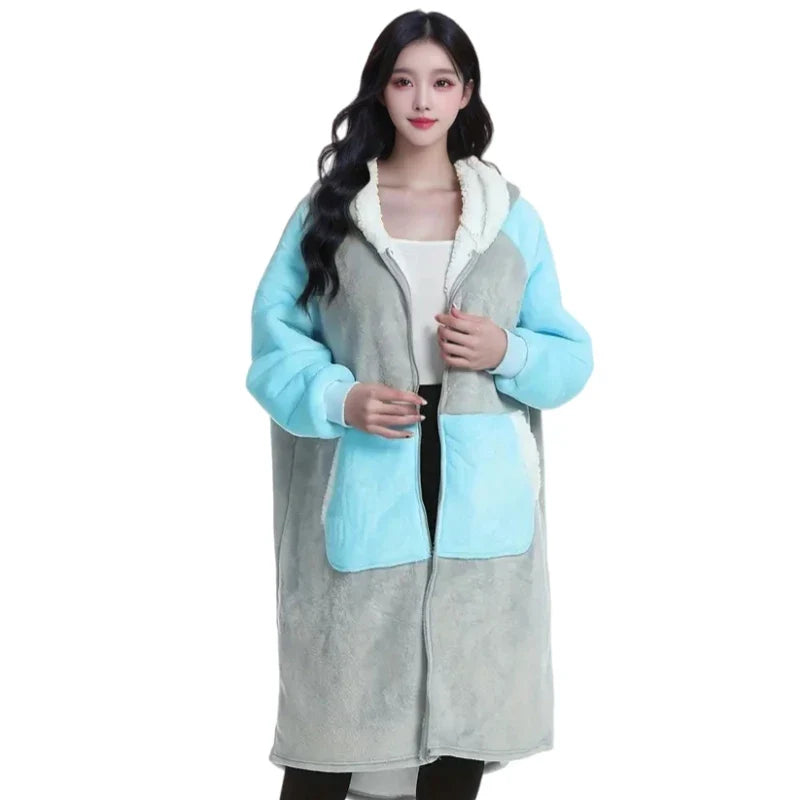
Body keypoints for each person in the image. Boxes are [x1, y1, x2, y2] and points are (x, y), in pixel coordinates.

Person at [246, 10, 593, 800]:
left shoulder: (510, 217)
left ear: (467, 92)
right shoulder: (332, 210)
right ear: (381, 91)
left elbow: (568, 358)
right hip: (369, 463)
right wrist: (341, 397)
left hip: (478, 484)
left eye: (441, 81)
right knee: (332, 733)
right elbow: (274, 343)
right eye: (404, 81)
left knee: (460, 729)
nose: (423, 100)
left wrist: (507, 351)